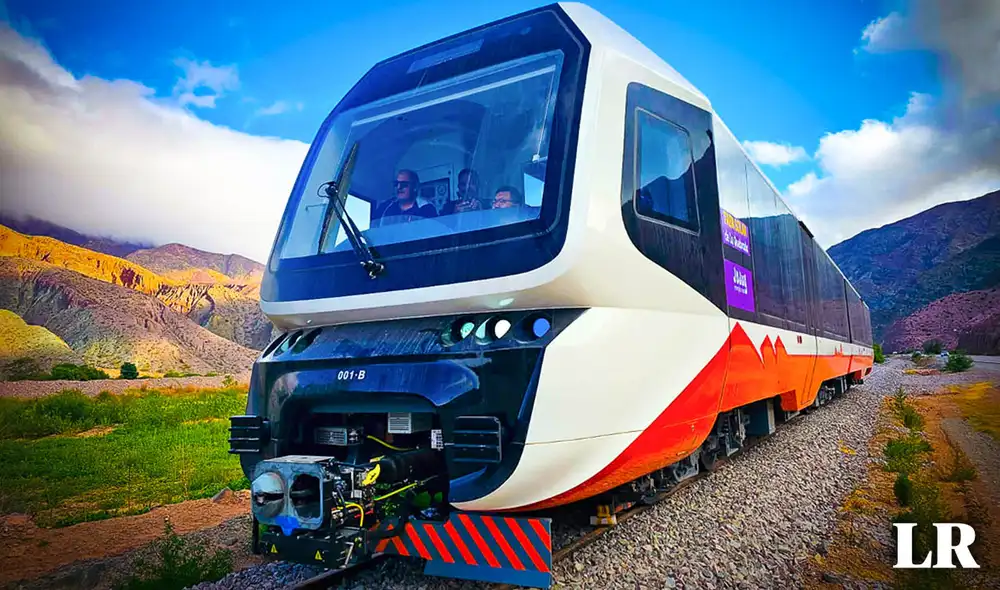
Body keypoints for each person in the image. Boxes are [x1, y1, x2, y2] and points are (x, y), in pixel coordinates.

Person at [372, 169, 437, 225]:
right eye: (396, 184)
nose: (399, 187)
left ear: (415, 187)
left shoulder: (427, 209)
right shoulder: (385, 207)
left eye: (404, 184)